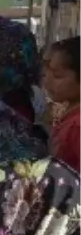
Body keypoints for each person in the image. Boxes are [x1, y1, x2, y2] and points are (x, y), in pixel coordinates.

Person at [44, 36, 81, 172]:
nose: (47, 82)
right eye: (47, 73)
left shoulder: (77, 126)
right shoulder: (69, 113)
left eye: (57, 76)